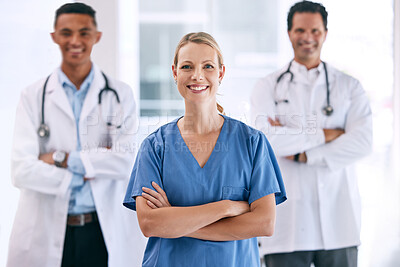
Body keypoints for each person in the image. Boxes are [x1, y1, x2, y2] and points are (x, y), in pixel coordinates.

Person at [123, 32, 286, 267]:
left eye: (207, 66)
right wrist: (227, 207)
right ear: (175, 72)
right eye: (187, 66)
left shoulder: (251, 143)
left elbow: (264, 223)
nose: (197, 75)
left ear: (221, 73)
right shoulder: (156, 147)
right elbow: (150, 224)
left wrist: (176, 222)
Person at [7, 3, 145, 267]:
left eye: (84, 32)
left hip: (100, 231)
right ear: (54, 37)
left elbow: (124, 162)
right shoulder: (33, 97)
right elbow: (21, 169)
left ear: (97, 36)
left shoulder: (119, 95)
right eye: (66, 32)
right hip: (47, 232)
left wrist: (61, 158)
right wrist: (92, 165)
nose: (75, 41)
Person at [251, 1, 373, 267]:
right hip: (287, 226)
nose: (307, 37)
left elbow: (363, 142)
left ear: (325, 33)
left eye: (315, 31)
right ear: (289, 33)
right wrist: (326, 134)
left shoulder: (349, 87)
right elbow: (266, 141)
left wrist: (305, 154)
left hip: (340, 224)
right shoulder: (268, 86)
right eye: (300, 30)